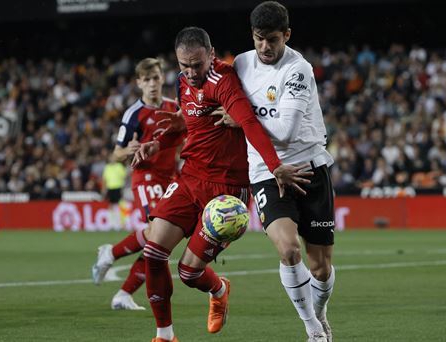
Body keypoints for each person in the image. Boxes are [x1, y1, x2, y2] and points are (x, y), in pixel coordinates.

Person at [131, 27, 312, 342]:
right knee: (153, 252)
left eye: (196, 65)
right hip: (190, 177)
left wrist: (276, 167)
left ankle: (218, 288)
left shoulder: (224, 81)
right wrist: (158, 143)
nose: (190, 72)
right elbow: (194, 122)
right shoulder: (183, 81)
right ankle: (164, 335)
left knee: (189, 272)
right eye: (184, 66)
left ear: (210, 54)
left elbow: (249, 122)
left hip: (228, 188)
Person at [219, 2, 337, 341]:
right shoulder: (241, 63)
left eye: (272, 40)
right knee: (288, 250)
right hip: (266, 170)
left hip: (309, 169)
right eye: (259, 39)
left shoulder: (298, 69)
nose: (265, 48)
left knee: (321, 268)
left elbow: (285, 130)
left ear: (286, 35)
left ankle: (321, 309)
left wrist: (243, 118)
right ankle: (313, 329)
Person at [91, 58, 183, 311]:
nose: (152, 84)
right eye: (147, 79)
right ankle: (111, 254)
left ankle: (123, 293)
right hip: (146, 177)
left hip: (171, 179)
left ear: (162, 78)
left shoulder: (174, 108)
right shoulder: (134, 114)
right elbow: (115, 154)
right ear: (139, 83)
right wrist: (127, 150)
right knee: (157, 235)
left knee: (161, 242)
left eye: (156, 78)